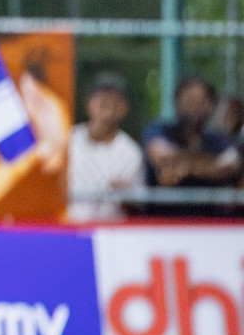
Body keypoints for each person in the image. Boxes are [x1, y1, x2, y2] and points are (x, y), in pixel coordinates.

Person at [142, 77, 241, 209]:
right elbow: (161, 154)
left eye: (201, 101)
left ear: (211, 105)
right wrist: (209, 164)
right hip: (162, 221)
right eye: (189, 99)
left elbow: (231, 164)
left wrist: (187, 168)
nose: (194, 106)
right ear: (176, 101)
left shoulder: (216, 138)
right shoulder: (158, 129)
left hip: (209, 222)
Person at [65, 73, 144, 223]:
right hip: (65, 229)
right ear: (88, 103)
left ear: (125, 108)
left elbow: (135, 209)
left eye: (115, 99)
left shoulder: (131, 153)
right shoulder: (67, 139)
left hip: (109, 234)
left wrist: (126, 196)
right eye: (101, 96)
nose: (107, 102)